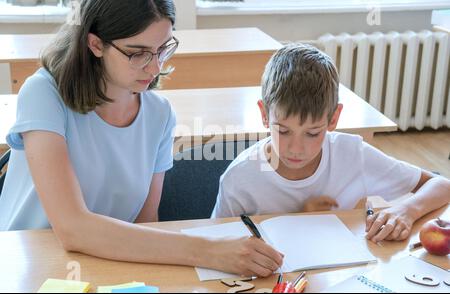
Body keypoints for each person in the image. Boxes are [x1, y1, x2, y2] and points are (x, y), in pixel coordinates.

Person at [0, 0, 283, 278]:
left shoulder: (159, 114)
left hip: (106, 262)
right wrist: (209, 251)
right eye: (139, 53)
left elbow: (146, 225)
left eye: (163, 49)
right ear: (95, 44)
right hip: (27, 263)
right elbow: (73, 228)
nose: (155, 67)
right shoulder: (43, 94)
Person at [211, 43, 450, 243]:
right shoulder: (240, 179)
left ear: (333, 118)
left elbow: (441, 185)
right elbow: (216, 244)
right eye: (283, 131)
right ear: (264, 115)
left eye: (313, 133)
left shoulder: (351, 154)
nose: (296, 148)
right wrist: (301, 220)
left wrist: (406, 210)